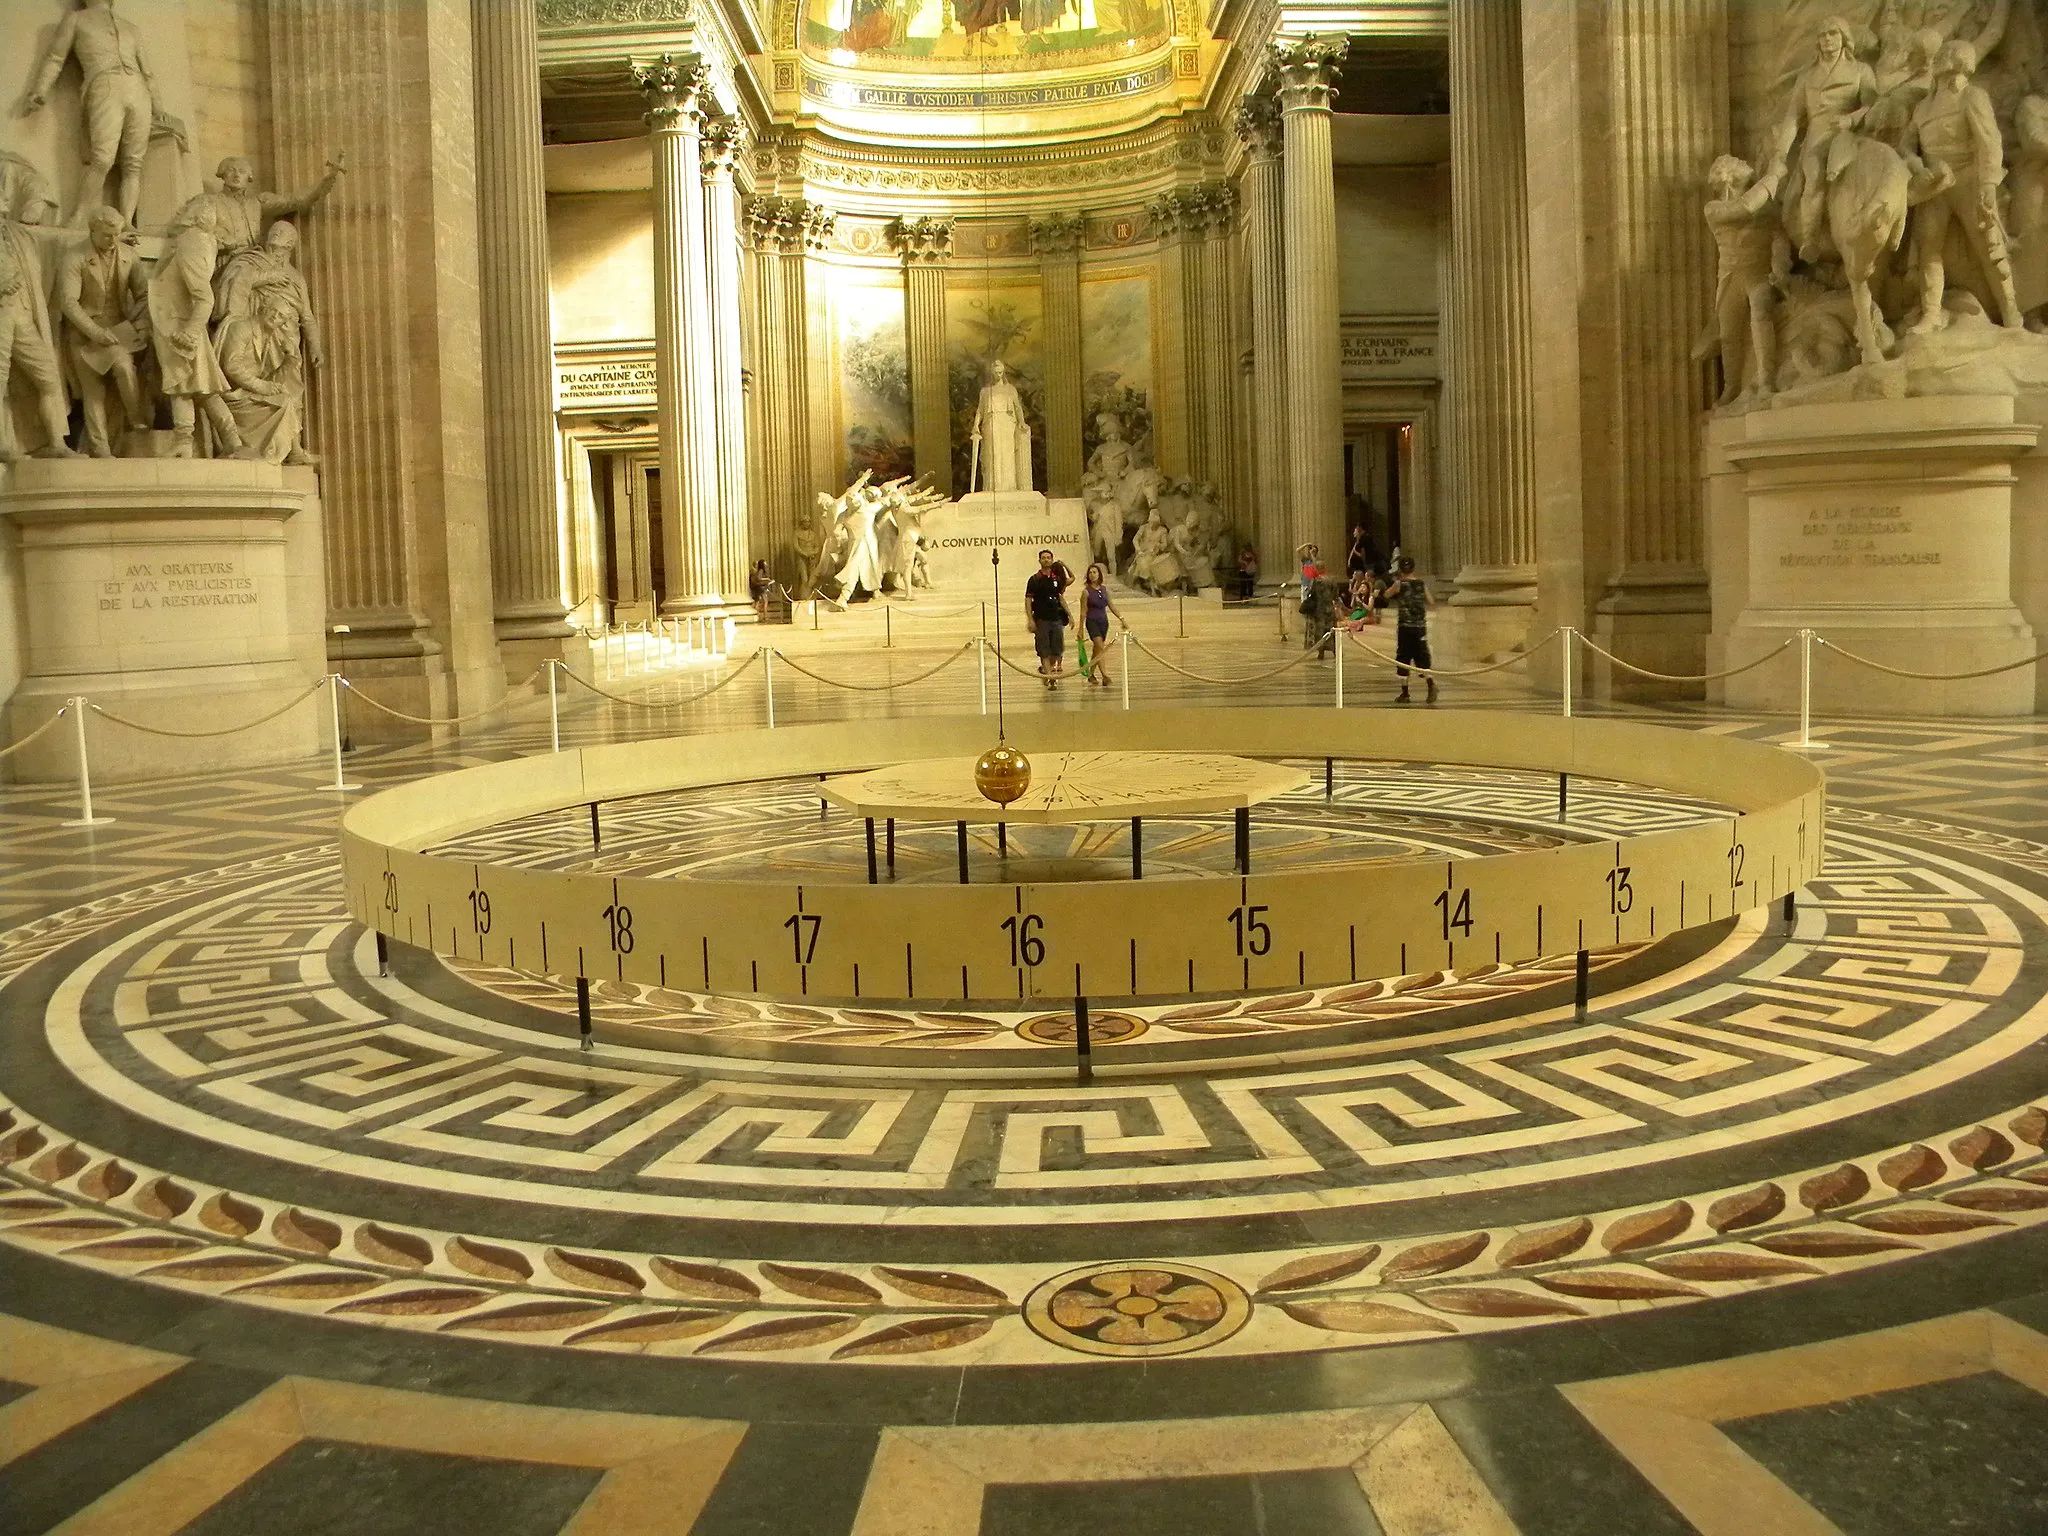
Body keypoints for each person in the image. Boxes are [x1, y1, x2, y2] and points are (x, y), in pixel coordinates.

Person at [1381, 555, 1436, 704]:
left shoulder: (1399, 584)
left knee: (1403, 657)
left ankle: (1405, 693)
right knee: (1422, 657)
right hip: (1420, 627)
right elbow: (1430, 601)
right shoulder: (1421, 584)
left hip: (1405, 626)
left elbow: (1386, 594)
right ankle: (1430, 685)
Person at [1024, 547, 1072, 688]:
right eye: (1043, 557)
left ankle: (1046, 670)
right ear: (1039, 560)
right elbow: (1028, 600)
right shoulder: (1034, 580)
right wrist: (1030, 619)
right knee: (1044, 650)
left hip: (1056, 618)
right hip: (1041, 619)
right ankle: (1051, 679)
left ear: (1051, 560)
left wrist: (1069, 614)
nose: (1046, 560)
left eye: (1048, 557)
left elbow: (1060, 597)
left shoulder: (1057, 579)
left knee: (1057, 651)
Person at [1079, 563, 1124, 689]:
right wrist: (1080, 629)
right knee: (1100, 646)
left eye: (1095, 572)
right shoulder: (1086, 592)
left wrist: (1121, 618)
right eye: (1090, 573)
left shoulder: (1104, 590)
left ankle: (1091, 673)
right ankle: (1105, 675)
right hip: (1092, 621)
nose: (1092, 575)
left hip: (1103, 622)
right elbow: (1083, 611)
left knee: (1097, 650)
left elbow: (1111, 605)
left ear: (1099, 574)